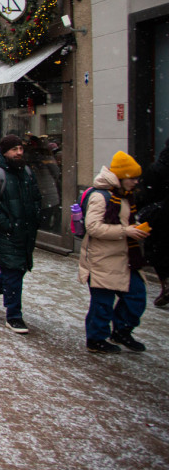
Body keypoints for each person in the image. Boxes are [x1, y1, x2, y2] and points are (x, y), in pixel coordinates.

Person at [78, 151, 151, 353]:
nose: (136, 182)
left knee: (136, 296)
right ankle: (96, 338)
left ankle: (122, 331)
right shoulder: (101, 196)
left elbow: (122, 219)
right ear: (120, 177)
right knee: (103, 302)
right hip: (103, 257)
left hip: (126, 256)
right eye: (132, 178)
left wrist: (135, 228)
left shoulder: (124, 195)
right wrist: (125, 231)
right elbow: (93, 227)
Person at [0, 134, 43, 335]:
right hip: (6, 232)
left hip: (25, 230)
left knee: (18, 268)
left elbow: (36, 198)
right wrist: (8, 224)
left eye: (21, 149)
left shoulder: (27, 172)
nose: (19, 153)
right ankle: (14, 316)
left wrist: (34, 218)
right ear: (4, 152)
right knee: (13, 271)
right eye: (15, 150)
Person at [137, 138, 169, 307]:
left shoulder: (157, 168)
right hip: (159, 216)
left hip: (159, 218)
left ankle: (165, 283)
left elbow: (145, 195)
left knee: (157, 252)